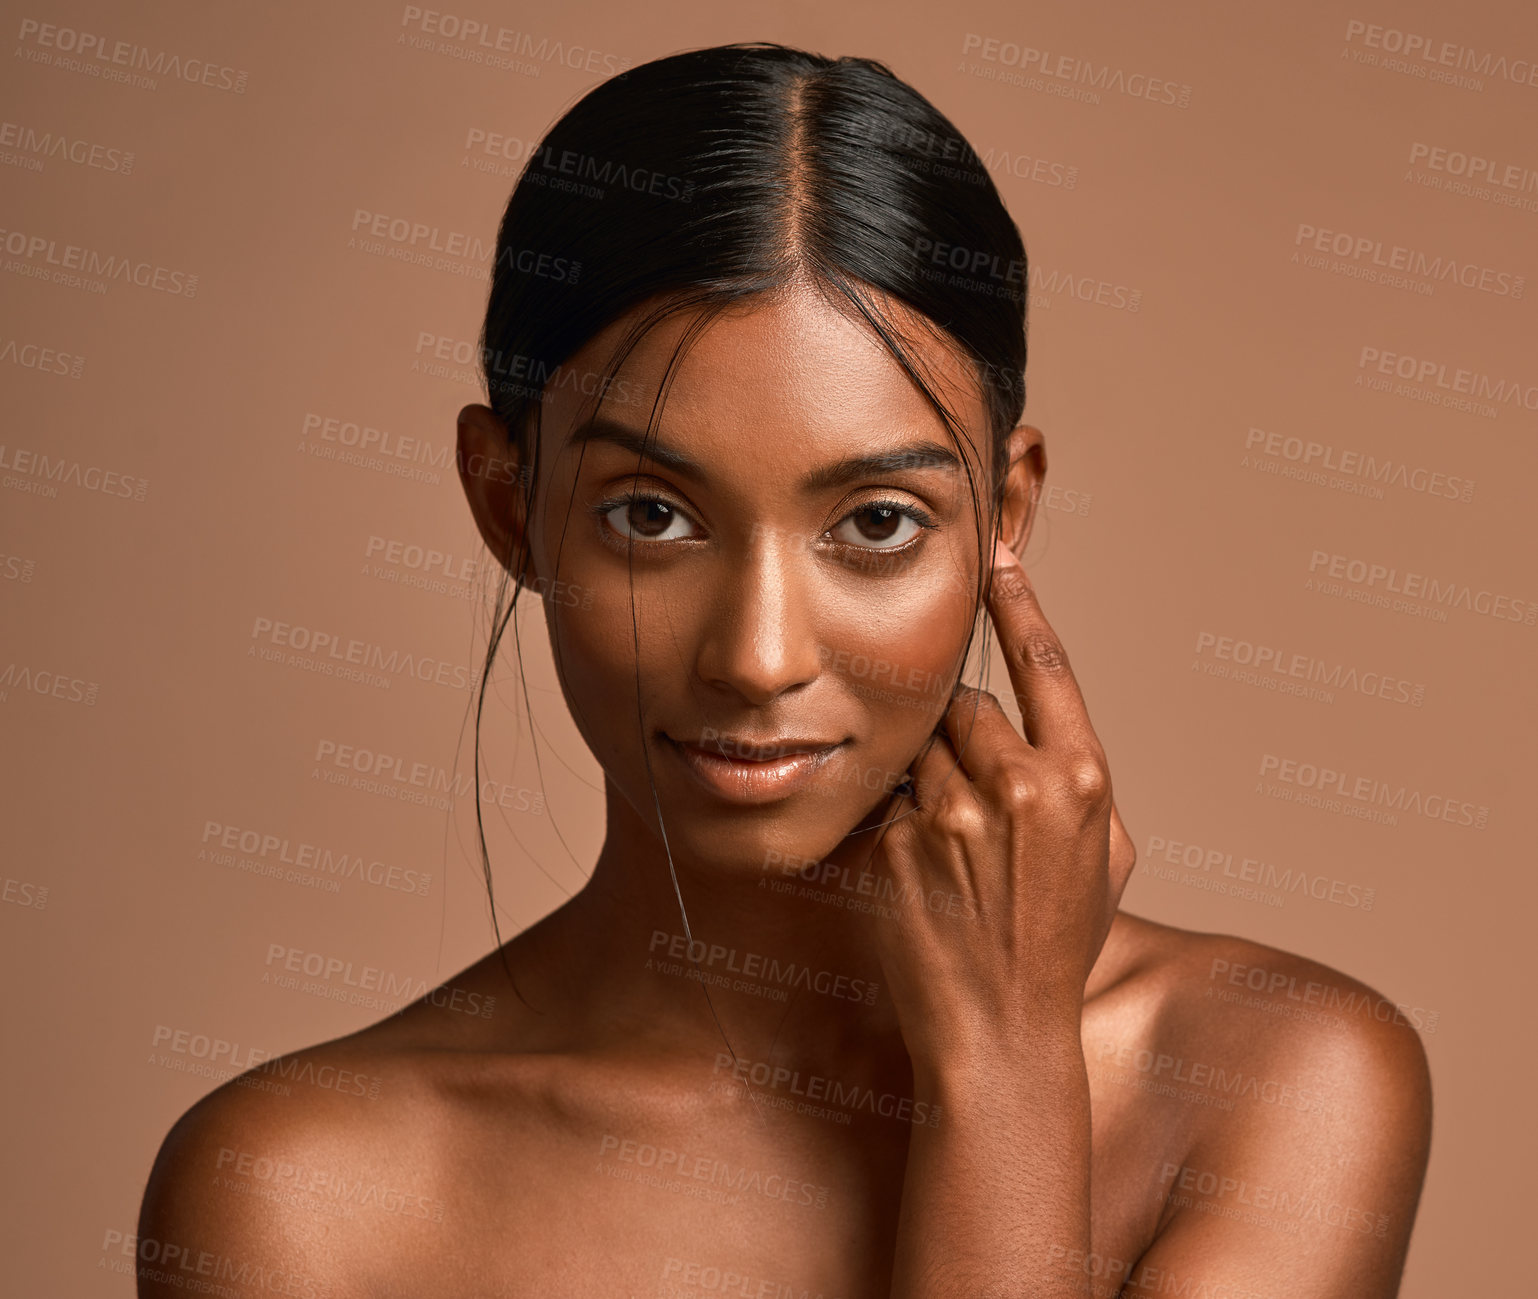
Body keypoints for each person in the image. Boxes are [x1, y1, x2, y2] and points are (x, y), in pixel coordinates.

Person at [138, 42, 1431, 1298]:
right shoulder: (302, 1201)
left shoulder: (1277, 1086)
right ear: (505, 502)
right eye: (651, 515)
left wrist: (1003, 1076)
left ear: (1005, 510)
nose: (758, 657)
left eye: (874, 523)